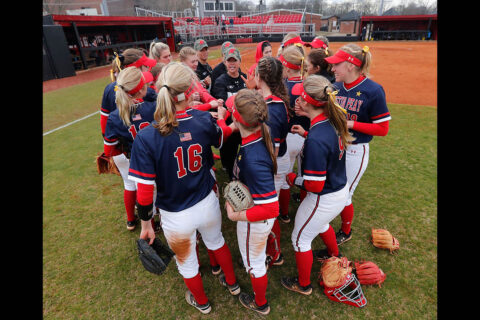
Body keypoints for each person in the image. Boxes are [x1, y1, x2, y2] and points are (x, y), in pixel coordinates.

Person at [128, 62, 239, 315]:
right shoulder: (200, 119)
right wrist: (222, 119)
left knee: (187, 263)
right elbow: (220, 139)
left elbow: (144, 194)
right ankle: (232, 284)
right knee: (217, 242)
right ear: (190, 91)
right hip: (206, 201)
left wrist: (146, 225)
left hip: (175, 214)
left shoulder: (147, 136)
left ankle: (202, 302)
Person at [280, 74, 354, 294]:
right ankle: (335, 255)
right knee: (320, 225)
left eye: (300, 98)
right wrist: (306, 133)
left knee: (300, 238)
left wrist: (293, 179)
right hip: (339, 191)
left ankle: (303, 285)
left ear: (309, 102)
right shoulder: (330, 120)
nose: (297, 102)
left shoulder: (317, 136)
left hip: (325, 196)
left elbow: (314, 185)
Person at [314, 44, 391, 250]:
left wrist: (351, 124)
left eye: (336, 65)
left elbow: (383, 128)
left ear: (350, 65)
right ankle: (324, 224)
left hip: (356, 149)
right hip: (336, 147)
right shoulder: (336, 88)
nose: (332, 69)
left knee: (345, 194)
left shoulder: (373, 90)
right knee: (333, 189)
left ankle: (346, 231)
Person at [224, 89, 279, 315]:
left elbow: (271, 208)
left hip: (256, 218)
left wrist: (234, 216)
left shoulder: (253, 158)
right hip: (258, 211)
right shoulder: (260, 133)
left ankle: (261, 303)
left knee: (253, 264)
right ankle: (262, 258)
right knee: (256, 257)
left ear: (237, 119)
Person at [103, 67, 157, 231]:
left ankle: (147, 226)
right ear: (141, 88)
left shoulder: (115, 116)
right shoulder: (153, 105)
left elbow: (108, 150)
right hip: (158, 157)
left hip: (137, 160)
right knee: (159, 190)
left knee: (141, 192)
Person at [254, 56, 291, 269]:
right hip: (278, 160)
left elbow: (272, 153)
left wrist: (260, 174)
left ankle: (274, 253)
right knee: (270, 209)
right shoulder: (276, 99)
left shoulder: (272, 110)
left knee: (268, 210)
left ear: (260, 77)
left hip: (273, 165)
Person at [277, 45, 308, 224]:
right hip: (306, 136)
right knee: (305, 176)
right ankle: (304, 213)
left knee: (284, 178)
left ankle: (285, 214)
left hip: (289, 137)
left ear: (286, 67)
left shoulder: (283, 87)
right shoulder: (309, 84)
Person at [100, 48, 157, 137]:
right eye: (145, 66)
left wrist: (108, 140)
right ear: (135, 69)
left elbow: (104, 123)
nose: (148, 69)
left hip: (122, 146)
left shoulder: (109, 89)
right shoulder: (146, 92)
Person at [211, 47, 247, 180]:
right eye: (229, 61)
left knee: (246, 153)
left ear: (239, 61)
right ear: (225, 63)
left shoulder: (245, 79)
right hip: (230, 126)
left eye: (234, 60)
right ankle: (232, 178)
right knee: (229, 157)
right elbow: (224, 104)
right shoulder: (221, 80)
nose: (232, 64)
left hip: (244, 125)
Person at [179, 46, 223, 112]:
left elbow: (202, 92)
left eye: (197, 61)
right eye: (193, 62)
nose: (196, 64)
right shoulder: (178, 78)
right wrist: (189, 98)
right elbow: (175, 99)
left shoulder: (192, 76)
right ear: (183, 62)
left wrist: (214, 101)